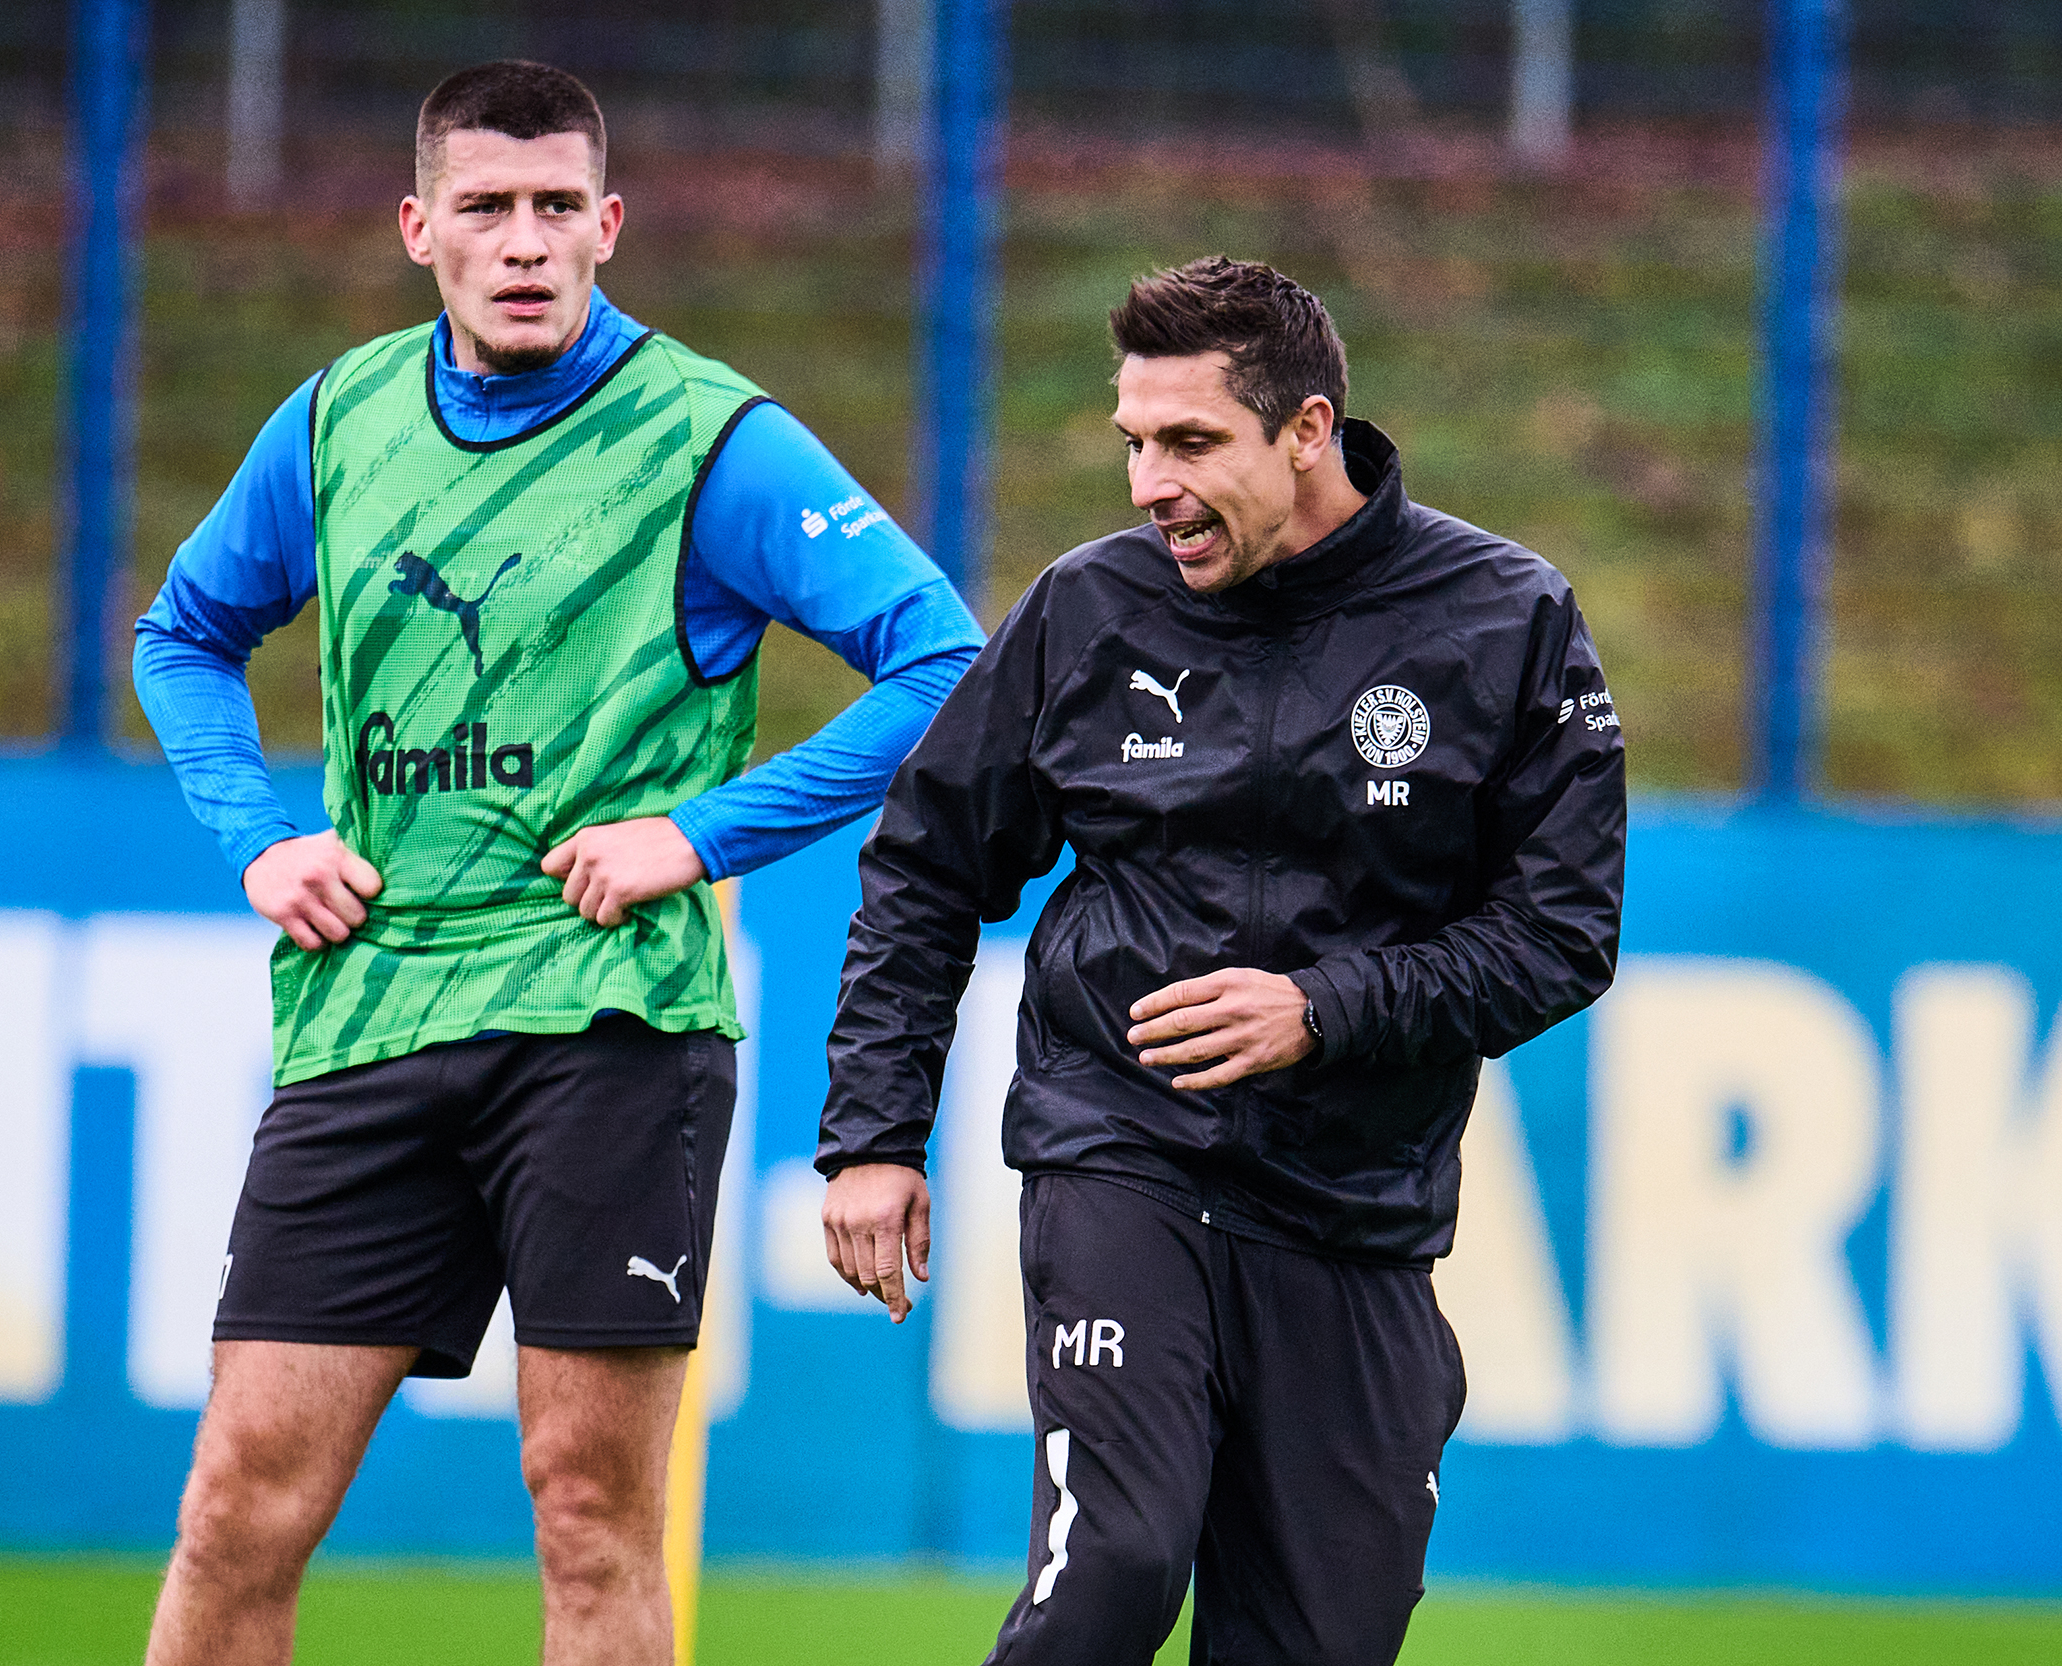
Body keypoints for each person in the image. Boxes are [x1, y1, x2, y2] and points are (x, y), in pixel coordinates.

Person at [132, 60, 981, 1666]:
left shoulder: (712, 438)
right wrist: (258, 838)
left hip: (610, 1036)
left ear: (608, 226)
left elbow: (944, 662)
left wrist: (699, 832)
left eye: (551, 210)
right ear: (416, 227)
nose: (520, 243)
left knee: (590, 1516)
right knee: (238, 1505)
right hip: (367, 1022)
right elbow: (183, 634)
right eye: (483, 209)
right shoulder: (333, 420)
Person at [819, 257, 1625, 1665]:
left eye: (1190, 444)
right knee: (1114, 1569)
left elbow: (1563, 933)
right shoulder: (1087, 610)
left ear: (1308, 430)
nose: (1148, 483)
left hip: (1357, 1214)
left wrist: (1323, 1009)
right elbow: (930, 863)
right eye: (1134, 440)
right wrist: (874, 1134)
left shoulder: (1507, 620)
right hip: (1123, 1157)